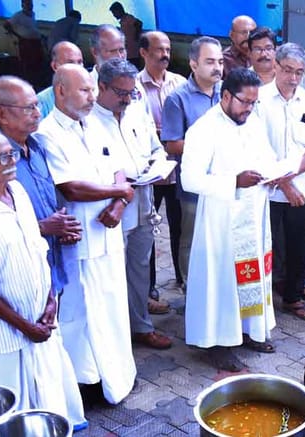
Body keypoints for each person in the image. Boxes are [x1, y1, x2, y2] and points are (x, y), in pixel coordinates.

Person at [0, 127, 87, 428]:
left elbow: (37, 251)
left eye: (11, 154)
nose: (12, 160)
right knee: (18, 408)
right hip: (8, 334)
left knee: (52, 397)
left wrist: (50, 306)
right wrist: (25, 326)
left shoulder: (17, 192)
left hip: (42, 321)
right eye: (2, 157)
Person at [37, 64, 136, 404]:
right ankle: (88, 381)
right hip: (79, 239)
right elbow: (71, 187)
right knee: (82, 313)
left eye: (93, 89)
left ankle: (118, 375)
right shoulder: (47, 133)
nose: (92, 96)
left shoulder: (96, 123)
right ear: (60, 91)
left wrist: (119, 204)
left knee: (112, 305)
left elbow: (121, 171)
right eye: (84, 90)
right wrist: (117, 193)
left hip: (110, 230)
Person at [183, 68, 288, 371]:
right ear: (226, 95)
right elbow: (189, 179)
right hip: (221, 219)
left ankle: (250, 330)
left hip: (254, 214)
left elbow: (266, 156)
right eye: (244, 102)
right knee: (223, 281)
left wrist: (273, 174)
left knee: (253, 273)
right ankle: (218, 342)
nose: (249, 109)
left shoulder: (252, 121)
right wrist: (234, 182)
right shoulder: (203, 130)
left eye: (254, 103)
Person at [86, 58, 173, 349]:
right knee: (110, 273)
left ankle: (140, 326)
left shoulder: (136, 109)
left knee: (139, 267)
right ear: (101, 86)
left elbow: (155, 148)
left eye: (131, 92)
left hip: (144, 197)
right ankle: (113, 336)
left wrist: (159, 165)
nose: (127, 99)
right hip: (109, 208)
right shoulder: (87, 120)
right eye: (120, 93)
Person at [0, 75, 81, 311]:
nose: (38, 113)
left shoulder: (37, 147)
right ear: (2, 114)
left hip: (51, 260)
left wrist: (63, 226)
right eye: (28, 108)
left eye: (37, 106)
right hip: (18, 274)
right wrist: (41, 227)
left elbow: (49, 197)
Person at [256, 43, 305, 321]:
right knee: (268, 247)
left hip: (302, 192)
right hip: (269, 191)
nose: (293, 78)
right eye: (287, 70)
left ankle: (293, 298)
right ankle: (263, 300)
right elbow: (256, 148)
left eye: (299, 72)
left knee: (298, 246)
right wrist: (284, 184)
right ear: (275, 66)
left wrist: (293, 180)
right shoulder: (258, 100)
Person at [161, 36, 225, 288]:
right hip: (194, 187)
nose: (217, 67)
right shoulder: (178, 99)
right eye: (210, 61)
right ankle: (191, 288)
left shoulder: (227, 94)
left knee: (220, 238)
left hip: (225, 183)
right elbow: (173, 144)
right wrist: (210, 147)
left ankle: (219, 288)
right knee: (192, 239)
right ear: (193, 64)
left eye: (220, 61)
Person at [137, 30, 187, 296]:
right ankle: (149, 286)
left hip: (178, 169)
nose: (165, 54)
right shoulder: (133, 87)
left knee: (180, 227)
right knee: (147, 231)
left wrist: (171, 135)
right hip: (150, 172)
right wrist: (164, 135)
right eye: (158, 49)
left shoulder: (180, 83)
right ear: (143, 52)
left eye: (167, 48)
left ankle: (182, 277)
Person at [37, 41, 84, 119]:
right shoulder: (42, 101)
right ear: (55, 66)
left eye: (80, 62)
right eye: (70, 63)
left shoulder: (90, 96)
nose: (77, 68)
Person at [4, 0, 44, 82]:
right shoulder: (18, 15)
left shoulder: (32, 14)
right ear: (23, 5)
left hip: (36, 42)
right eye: (28, 4)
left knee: (37, 61)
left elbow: (33, 28)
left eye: (31, 4)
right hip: (26, 42)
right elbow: (6, 25)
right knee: (27, 62)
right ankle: (26, 81)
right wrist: (18, 36)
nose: (30, 6)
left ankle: (35, 80)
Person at [108, 2, 142, 67]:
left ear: (119, 10)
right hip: (127, 52)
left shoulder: (128, 18)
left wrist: (136, 36)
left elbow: (139, 23)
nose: (114, 15)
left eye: (114, 13)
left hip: (133, 53)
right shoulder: (122, 21)